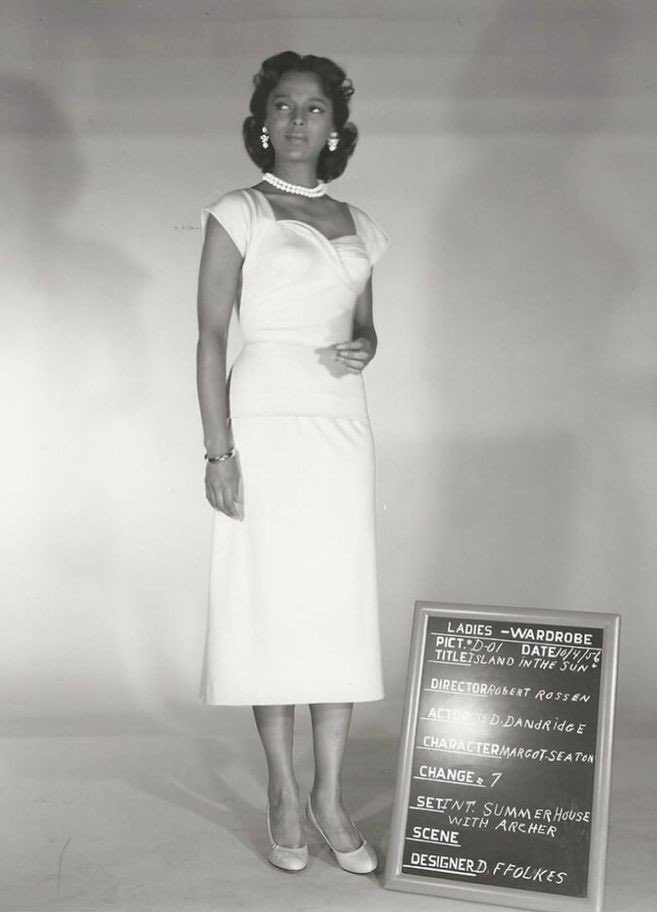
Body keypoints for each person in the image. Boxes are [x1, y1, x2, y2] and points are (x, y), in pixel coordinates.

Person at [195, 51, 389, 874]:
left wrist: (365, 346)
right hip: (264, 420)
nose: (296, 120)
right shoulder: (237, 212)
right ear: (261, 122)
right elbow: (209, 336)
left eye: (312, 108)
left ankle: (328, 795)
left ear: (335, 125)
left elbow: (365, 326)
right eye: (282, 106)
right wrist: (219, 450)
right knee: (270, 605)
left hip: (340, 428)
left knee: (336, 604)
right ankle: (281, 788)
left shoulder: (363, 223)